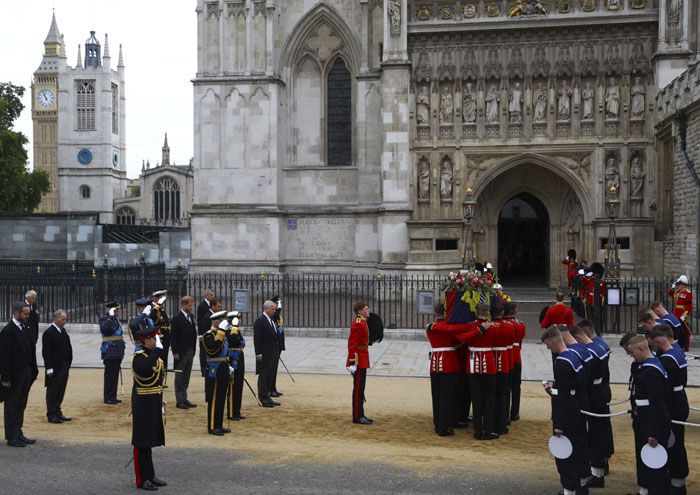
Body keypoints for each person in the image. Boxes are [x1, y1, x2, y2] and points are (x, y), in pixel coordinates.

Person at [541, 326, 589, 495]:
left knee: (566, 454)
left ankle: (570, 489)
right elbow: (577, 385)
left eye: (548, 345)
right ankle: (582, 483)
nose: (548, 348)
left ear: (554, 341)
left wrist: (559, 424)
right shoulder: (573, 357)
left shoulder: (562, 362)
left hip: (567, 413)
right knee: (579, 448)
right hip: (578, 407)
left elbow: (562, 397)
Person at [425, 303, 484, 436]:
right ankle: (444, 427)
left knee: (437, 396)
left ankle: (438, 424)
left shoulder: (431, 327)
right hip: (449, 364)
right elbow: (462, 336)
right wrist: (478, 328)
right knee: (446, 397)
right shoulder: (449, 328)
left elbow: (443, 330)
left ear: (435, 313)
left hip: (435, 363)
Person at [627, 335, 671, 495]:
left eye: (632, 352)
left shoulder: (651, 371)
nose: (631, 355)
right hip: (643, 416)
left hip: (650, 421)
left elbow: (657, 405)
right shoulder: (645, 366)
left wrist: (654, 432)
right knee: (644, 459)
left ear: (641, 349)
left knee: (654, 465)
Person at [648, 325, 689, 495]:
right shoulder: (676, 352)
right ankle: (677, 482)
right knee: (676, 442)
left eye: (653, 345)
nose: (653, 349)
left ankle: (676, 482)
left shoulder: (667, 359)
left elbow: (665, 388)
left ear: (659, 341)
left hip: (673, 403)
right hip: (680, 398)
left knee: (673, 443)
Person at [571, 323, 613, 488]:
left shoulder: (591, 351)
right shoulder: (600, 345)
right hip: (601, 390)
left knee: (595, 433)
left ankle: (597, 470)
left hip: (593, 394)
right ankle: (601, 463)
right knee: (601, 430)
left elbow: (586, 376)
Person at [130, 312, 167, 491]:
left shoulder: (151, 355)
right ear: (145, 341)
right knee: (141, 443)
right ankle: (141, 478)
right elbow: (144, 370)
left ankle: (150, 475)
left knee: (149, 442)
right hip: (142, 404)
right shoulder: (139, 358)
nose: (156, 341)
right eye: (153, 339)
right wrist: (157, 351)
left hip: (152, 402)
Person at [455, 302, 498, 440]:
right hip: (488, 364)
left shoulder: (471, 326)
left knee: (477, 398)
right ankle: (487, 429)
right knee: (489, 398)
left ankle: (478, 430)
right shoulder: (492, 327)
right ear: (488, 312)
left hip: (473, 364)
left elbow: (462, 338)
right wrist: (481, 329)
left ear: (476, 311)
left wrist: (477, 330)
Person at [0, 301, 38, 447]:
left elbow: (30, 348)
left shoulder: (25, 327)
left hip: (26, 372)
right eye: (25, 314)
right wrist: (6, 378)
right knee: (11, 405)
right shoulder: (8, 331)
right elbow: (3, 357)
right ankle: (11, 436)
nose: (27, 316)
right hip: (13, 375)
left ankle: (18, 432)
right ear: (16, 313)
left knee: (21, 404)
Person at [202, 310, 231, 435]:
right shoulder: (208, 335)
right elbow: (214, 350)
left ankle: (219, 424)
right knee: (214, 398)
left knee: (221, 397)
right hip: (214, 369)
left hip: (223, 366)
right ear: (216, 321)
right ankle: (213, 426)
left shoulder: (221, 334)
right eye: (222, 321)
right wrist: (220, 333)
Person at [41, 309, 73, 424]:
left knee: (60, 390)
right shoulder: (48, 333)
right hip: (54, 368)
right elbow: (46, 352)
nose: (65, 321)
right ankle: (51, 414)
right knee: (53, 391)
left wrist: (68, 363)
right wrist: (49, 368)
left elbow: (68, 348)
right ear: (56, 319)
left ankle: (58, 411)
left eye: (65, 319)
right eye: (63, 319)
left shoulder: (63, 331)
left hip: (64, 366)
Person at [346, 302, 372, 425]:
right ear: (359, 312)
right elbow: (352, 344)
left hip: (363, 357)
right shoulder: (358, 323)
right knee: (358, 389)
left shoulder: (362, 322)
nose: (368, 311)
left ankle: (361, 414)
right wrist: (352, 363)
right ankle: (357, 416)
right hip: (358, 360)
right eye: (366, 309)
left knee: (361, 388)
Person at [170, 295, 198, 410]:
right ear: (183, 305)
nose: (191, 308)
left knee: (186, 376)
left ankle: (184, 397)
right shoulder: (177, 318)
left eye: (192, 305)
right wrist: (175, 351)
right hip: (181, 351)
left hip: (190, 350)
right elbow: (173, 336)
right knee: (179, 376)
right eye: (189, 305)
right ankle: (179, 400)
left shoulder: (190, 316)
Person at [254, 300, 281, 408]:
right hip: (264, 353)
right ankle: (262, 397)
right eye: (273, 309)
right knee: (264, 376)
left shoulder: (271, 320)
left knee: (269, 375)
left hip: (272, 353)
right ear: (266, 309)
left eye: (275, 309)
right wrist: (258, 353)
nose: (274, 311)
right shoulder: (260, 321)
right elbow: (257, 338)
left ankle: (267, 395)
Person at [490, 304, 513, 435]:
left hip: (490, 361)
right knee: (502, 394)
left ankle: (490, 421)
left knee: (490, 394)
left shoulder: (490, 327)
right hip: (503, 361)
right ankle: (501, 423)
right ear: (502, 313)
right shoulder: (509, 327)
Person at [99, 301, 126, 405]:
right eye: (116, 309)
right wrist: (110, 317)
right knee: (110, 375)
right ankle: (108, 397)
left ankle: (112, 396)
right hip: (110, 350)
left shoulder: (115, 319)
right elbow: (106, 329)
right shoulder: (105, 320)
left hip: (117, 350)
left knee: (114, 375)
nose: (118, 311)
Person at [503, 302, 525, 422]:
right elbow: (520, 340)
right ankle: (514, 412)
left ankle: (504, 413)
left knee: (505, 387)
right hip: (515, 355)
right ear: (512, 311)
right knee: (516, 387)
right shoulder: (519, 325)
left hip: (504, 356)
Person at [226, 311, 246, 421]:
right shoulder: (230, 331)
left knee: (239, 386)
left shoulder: (236, 330)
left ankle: (237, 411)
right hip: (233, 360)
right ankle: (232, 412)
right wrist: (233, 327)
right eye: (237, 319)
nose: (239, 321)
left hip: (239, 359)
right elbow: (234, 341)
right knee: (233, 387)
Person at [668, 276, 692, 351]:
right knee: (678, 331)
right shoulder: (677, 292)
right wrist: (672, 287)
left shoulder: (688, 293)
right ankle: (679, 345)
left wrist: (684, 316)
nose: (678, 285)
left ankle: (685, 347)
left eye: (680, 284)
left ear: (684, 285)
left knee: (685, 331)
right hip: (676, 314)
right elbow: (670, 294)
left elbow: (689, 307)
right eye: (678, 284)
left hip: (683, 315)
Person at [150, 290, 171, 370]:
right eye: (158, 297)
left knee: (165, 354)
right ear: (154, 298)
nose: (161, 300)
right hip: (159, 335)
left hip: (165, 335)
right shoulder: (153, 308)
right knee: (159, 354)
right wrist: (157, 306)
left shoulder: (161, 308)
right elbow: (151, 318)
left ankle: (164, 370)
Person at [196, 289, 215, 377]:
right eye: (211, 295)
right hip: (203, 332)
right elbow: (200, 321)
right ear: (206, 295)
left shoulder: (209, 305)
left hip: (209, 332)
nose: (212, 297)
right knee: (203, 351)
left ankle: (207, 367)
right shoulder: (202, 306)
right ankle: (203, 368)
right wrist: (200, 334)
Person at [270, 295, 285, 398]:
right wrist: (279, 305)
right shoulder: (272, 315)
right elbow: (276, 314)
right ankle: (270, 389)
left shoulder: (277, 316)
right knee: (271, 369)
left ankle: (273, 387)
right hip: (273, 346)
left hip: (278, 345)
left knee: (274, 368)